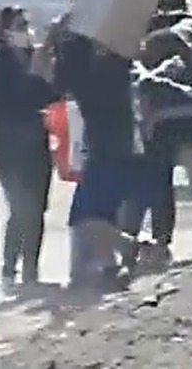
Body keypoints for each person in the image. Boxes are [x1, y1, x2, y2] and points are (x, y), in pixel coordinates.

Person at [51, 19, 145, 290]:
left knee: (86, 217)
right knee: (95, 215)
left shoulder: (79, 78)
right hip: (122, 146)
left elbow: (48, 74)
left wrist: (55, 37)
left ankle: (127, 249)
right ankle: (113, 264)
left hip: (102, 150)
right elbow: (130, 44)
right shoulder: (113, 67)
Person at [127, 0, 192, 267]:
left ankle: (157, 241)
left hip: (157, 120)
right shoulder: (190, 27)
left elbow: (141, 86)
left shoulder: (146, 35)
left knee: (157, 182)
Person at [0, 6, 57, 293]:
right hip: (8, 146)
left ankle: (31, 271)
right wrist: (37, 73)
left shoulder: (34, 58)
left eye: (26, 24)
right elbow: (11, 100)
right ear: (4, 32)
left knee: (37, 208)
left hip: (36, 144)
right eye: (19, 25)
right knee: (20, 206)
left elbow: (50, 96)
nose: (25, 30)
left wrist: (46, 70)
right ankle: (9, 269)